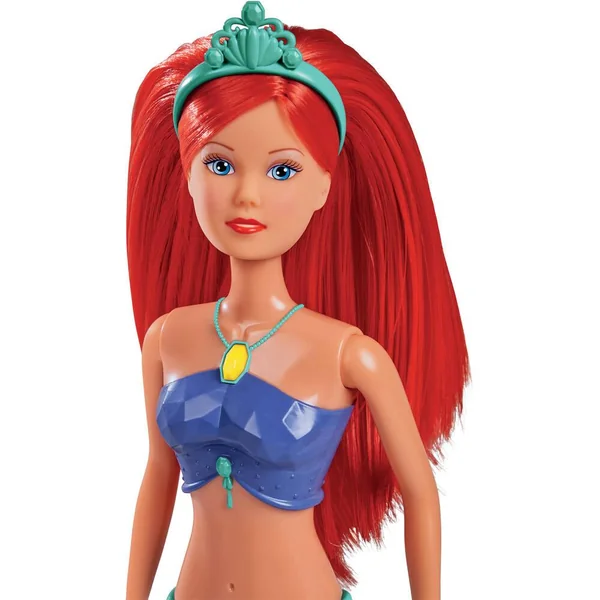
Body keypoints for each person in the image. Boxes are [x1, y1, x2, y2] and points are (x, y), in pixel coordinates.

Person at [125, 3, 470, 599]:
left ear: (323, 188)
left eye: (281, 171)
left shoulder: (348, 355)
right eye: (220, 164)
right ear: (187, 175)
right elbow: (158, 478)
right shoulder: (167, 339)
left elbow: (420, 495)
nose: (247, 195)